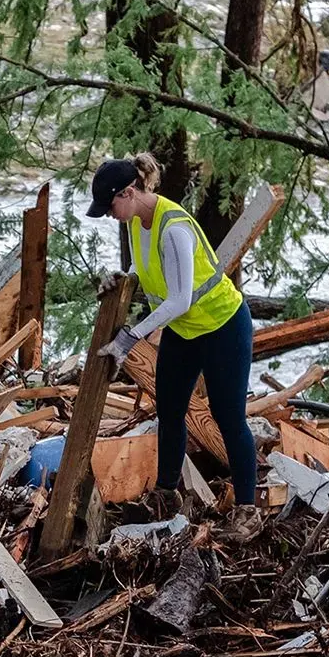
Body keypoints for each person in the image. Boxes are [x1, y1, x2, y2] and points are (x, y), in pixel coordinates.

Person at [87, 154, 261, 518]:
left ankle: (248, 509)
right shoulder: (136, 221)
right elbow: (145, 268)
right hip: (185, 331)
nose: (109, 215)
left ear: (129, 192)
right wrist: (123, 279)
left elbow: (179, 300)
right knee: (169, 409)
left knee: (228, 418)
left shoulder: (174, 228)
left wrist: (130, 338)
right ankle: (166, 495)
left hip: (222, 326)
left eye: (110, 206)